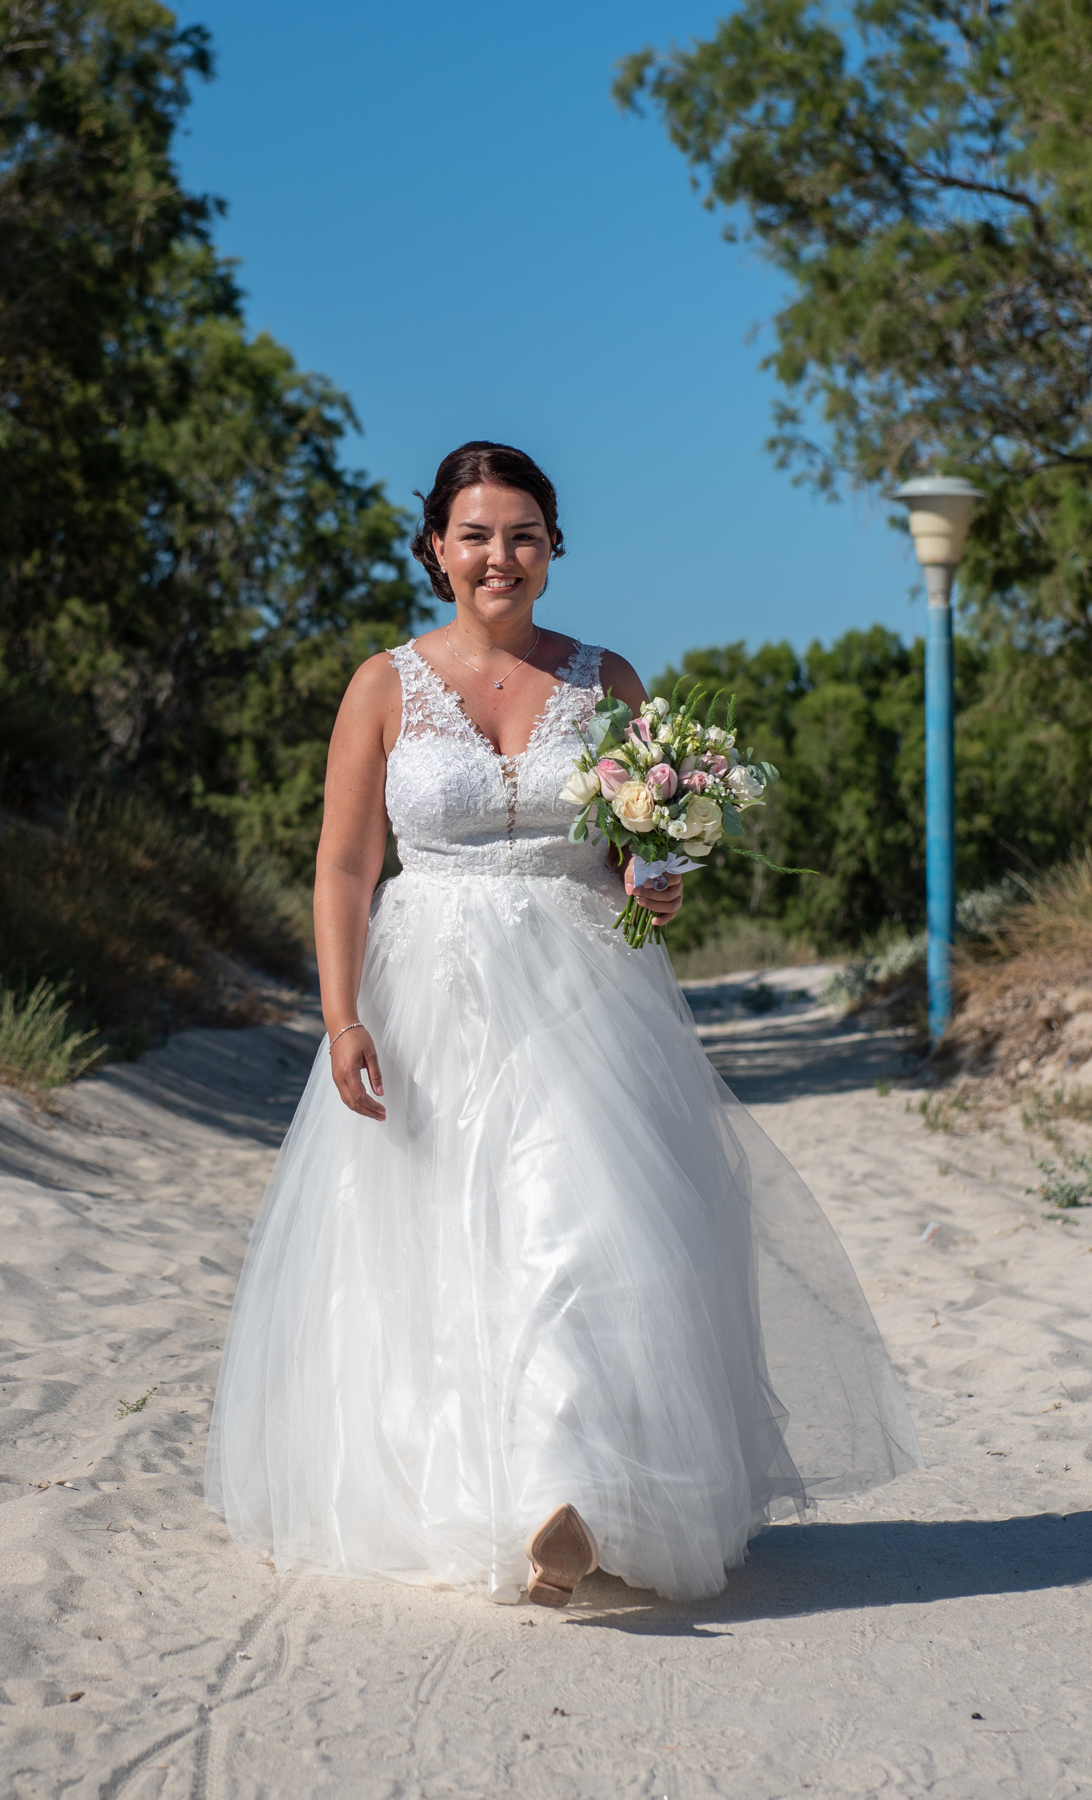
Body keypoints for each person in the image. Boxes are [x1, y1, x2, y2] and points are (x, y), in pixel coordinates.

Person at [205, 441, 921, 1607]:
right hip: (428, 995)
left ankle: (565, 1495)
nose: (500, 555)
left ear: (552, 549)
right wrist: (340, 1020)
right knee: (445, 1252)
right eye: (476, 534)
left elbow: (635, 848)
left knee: (576, 1234)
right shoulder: (382, 686)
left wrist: (654, 874)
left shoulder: (607, 681)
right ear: (435, 549)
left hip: (584, 1000)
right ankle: (486, 1490)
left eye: (523, 532)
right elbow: (342, 868)